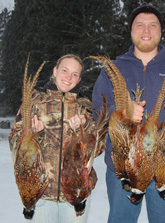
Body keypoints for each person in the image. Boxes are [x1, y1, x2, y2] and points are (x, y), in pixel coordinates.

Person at [92, 3, 165, 223]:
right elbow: (96, 114)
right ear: (131, 31)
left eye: (152, 25)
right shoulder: (112, 70)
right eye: (140, 25)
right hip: (122, 169)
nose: (146, 30)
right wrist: (121, 115)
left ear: (160, 32)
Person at [9, 54, 105, 223]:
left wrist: (85, 130)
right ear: (55, 71)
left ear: (79, 79)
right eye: (65, 70)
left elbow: (99, 149)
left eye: (74, 74)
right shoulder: (34, 103)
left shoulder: (85, 108)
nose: (69, 77)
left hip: (76, 195)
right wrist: (30, 135)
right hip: (40, 195)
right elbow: (14, 143)